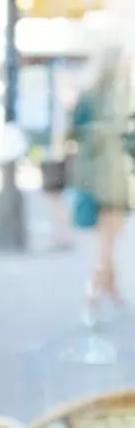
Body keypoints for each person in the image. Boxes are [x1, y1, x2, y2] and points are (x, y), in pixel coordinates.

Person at [69, 44, 134, 322]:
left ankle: (108, 288)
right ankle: (93, 295)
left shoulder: (88, 94)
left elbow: (74, 132)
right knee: (107, 243)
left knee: (107, 241)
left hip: (95, 178)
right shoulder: (125, 96)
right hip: (116, 181)